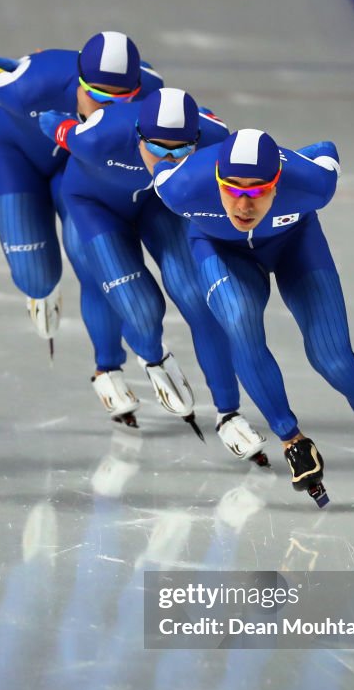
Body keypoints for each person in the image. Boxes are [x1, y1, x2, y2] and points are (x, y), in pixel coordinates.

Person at [146, 126, 354, 506]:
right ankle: (292, 439)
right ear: (216, 181)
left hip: (295, 245)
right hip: (221, 252)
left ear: (278, 182)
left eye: (257, 191)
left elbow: (325, 149)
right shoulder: (183, 187)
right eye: (232, 189)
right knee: (239, 319)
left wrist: (293, 157)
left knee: (334, 359)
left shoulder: (313, 185)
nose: (243, 205)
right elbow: (157, 164)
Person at [38, 89, 269, 463]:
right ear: (138, 136)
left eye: (181, 151)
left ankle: (229, 413)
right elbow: (51, 123)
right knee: (141, 307)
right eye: (159, 148)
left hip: (157, 204)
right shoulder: (100, 135)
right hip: (95, 208)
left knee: (197, 297)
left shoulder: (215, 137)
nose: (168, 159)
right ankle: (149, 357)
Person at [0, 31, 161, 424]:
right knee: (35, 277)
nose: (108, 109)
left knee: (92, 260)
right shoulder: (31, 86)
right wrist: (20, 63)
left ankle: (107, 367)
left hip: (71, 167)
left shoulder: (150, 89)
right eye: (98, 95)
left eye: (121, 98)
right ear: (79, 83)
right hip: (16, 158)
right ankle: (40, 290)